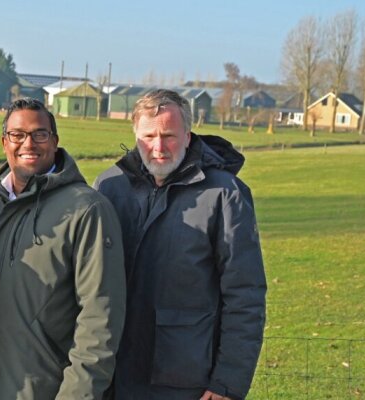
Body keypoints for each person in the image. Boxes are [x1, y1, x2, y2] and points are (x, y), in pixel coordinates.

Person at [94, 89, 266, 400]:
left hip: (186, 379)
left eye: (169, 135)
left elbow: (245, 294)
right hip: (113, 375)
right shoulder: (109, 187)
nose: (158, 147)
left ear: (188, 135)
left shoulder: (224, 194)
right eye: (149, 135)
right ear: (135, 133)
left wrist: (228, 381)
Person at [0, 98, 126, 399]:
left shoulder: (87, 210)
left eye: (39, 134)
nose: (29, 143)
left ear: (54, 141)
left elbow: (100, 318)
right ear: (4, 142)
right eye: (17, 134)